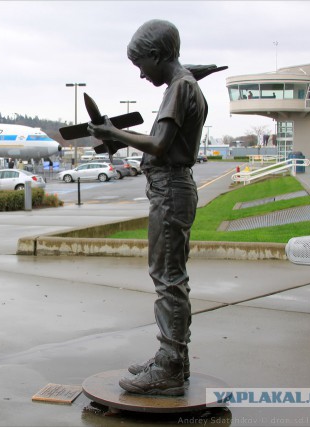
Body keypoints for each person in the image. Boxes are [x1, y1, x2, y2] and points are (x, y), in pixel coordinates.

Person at [87, 19, 207, 396]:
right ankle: (174, 357)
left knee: (167, 278)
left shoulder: (179, 87)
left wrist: (112, 134)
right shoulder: (186, 85)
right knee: (171, 276)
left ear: (158, 55)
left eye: (141, 63)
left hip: (169, 189)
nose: (140, 73)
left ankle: (169, 366)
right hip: (173, 188)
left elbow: (158, 145)